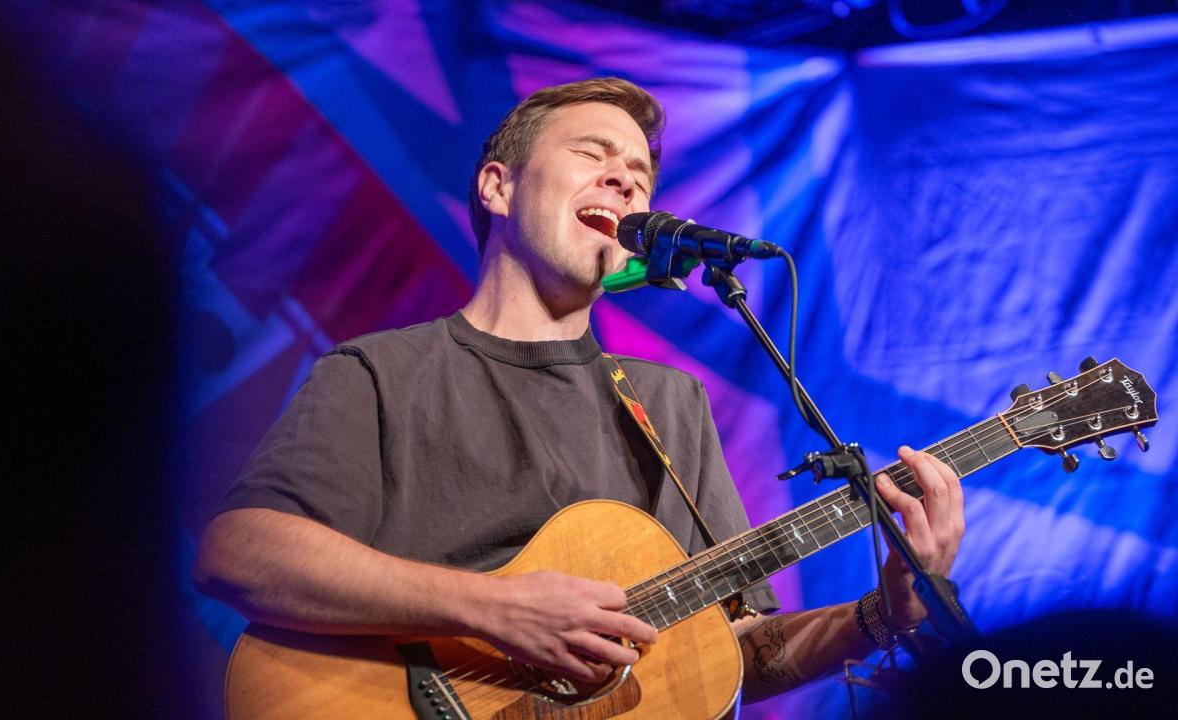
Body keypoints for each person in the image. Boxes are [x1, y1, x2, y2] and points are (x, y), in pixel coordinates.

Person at [193, 77, 964, 705]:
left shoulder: (670, 405)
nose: (624, 178)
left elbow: (733, 653)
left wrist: (884, 614)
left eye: (639, 176)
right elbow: (240, 553)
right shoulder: (379, 371)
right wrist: (493, 609)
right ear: (498, 187)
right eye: (592, 153)